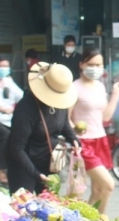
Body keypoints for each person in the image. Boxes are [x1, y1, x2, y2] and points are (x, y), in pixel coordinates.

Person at [6, 62, 80, 195]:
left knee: (49, 209)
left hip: (48, 162)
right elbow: (17, 148)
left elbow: (63, 124)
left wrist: (73, 139)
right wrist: (36, 174)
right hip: (24, 164)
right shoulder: (27, 107)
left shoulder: (60, 103)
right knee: (23, 208)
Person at [71, 47, 119, 213]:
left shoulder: (100, 87)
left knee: (99, 190)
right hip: (83, 143)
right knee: (108, 185)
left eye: (98, 65)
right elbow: (65, 118)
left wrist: (116, 93)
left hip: (101, 139)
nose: (95, 69)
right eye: (91, 64)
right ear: (81, 64)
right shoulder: (74, 87)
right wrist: (73, 132)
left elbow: (105, 117)